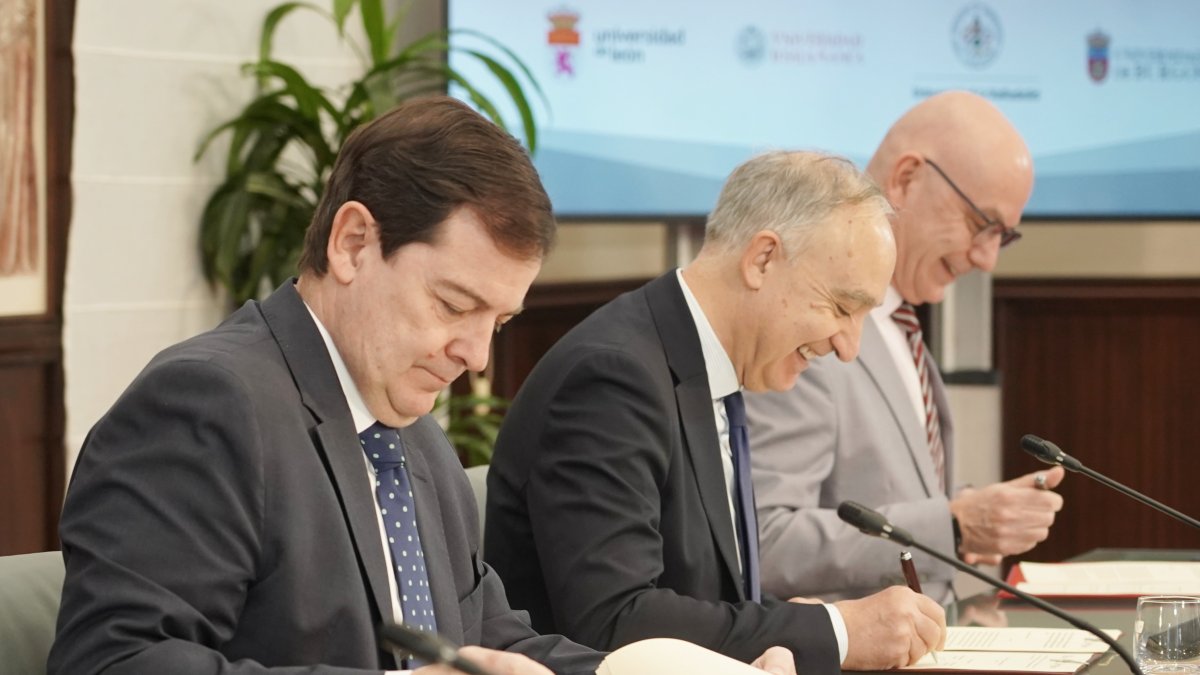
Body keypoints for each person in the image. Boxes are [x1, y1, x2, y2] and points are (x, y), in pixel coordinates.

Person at [48, 96, 609, 675]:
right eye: (452, 304)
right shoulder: (207, 406)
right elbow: (115, 661)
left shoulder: (412, 437)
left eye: (498, 322)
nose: (477, 356)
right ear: (353, 243)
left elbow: (490, 644)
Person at [485, 150, 947, 675]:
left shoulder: (706, 367)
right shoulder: (612, 377)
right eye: (842, 308)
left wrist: (787, 623)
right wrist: (838, 631)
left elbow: (703, 594)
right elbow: (614, 621)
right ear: (763, 259)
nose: (849, 347)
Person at [744, 91, 1065, 606]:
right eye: (981, 224)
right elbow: (764, 538)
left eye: (1002, 237)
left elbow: (891, 498)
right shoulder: (809, 332)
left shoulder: (900, 321)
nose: (987, 259)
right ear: (906, 179)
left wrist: (974, 516)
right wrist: (954, 526)